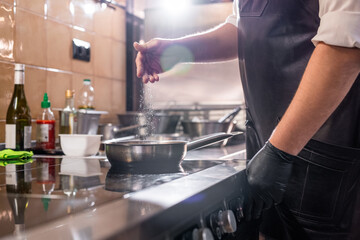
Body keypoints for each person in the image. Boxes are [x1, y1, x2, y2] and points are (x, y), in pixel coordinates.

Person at [134, 0, 360, 239]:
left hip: (325, 153)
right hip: (268, 145)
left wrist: (280, 150)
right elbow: (245, 28)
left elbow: (346, 43)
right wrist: (178, 50)